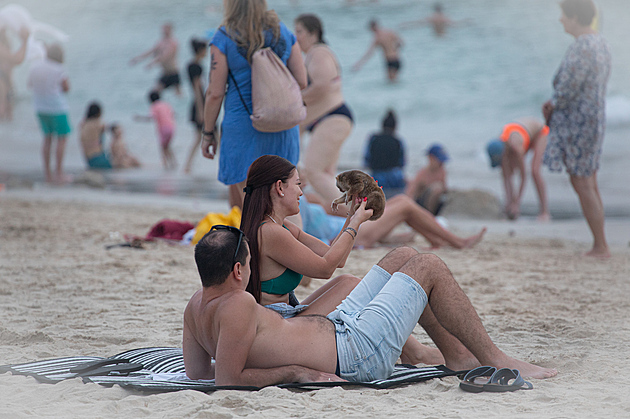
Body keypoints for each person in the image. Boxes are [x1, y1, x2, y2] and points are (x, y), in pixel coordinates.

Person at [183, 229, 558, 385]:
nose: (251, 270)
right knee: (428, 266)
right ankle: (495, 356)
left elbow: (198, 374)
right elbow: (225, 382)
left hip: (341, 329)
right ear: (237, 270)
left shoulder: (196, 306)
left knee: (403, 256)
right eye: (248, 264)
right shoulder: (238, 304)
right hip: (357, 353)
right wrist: (297, 371)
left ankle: (456, 355)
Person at [240, 155, 445, 366]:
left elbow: (336, 258)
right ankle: (416, 352)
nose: (302, 192)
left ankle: (412, 350)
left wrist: (351, 216)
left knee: (348, 281)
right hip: (279, 329)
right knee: (353, 286)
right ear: (279, 188)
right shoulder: (272, 232)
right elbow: (325, 269)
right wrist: (355, 223)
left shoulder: (281, 227)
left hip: (287, 317)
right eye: (298, 185)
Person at [201, 0, 307, 210]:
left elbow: (215, 93)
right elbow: (302, 81)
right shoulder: (282, 31)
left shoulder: (224, 37)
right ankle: (290, 240)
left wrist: (207, 132)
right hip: (282, 128)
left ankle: (253, 242)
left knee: (249, 202)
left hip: (244, 128)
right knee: (284, 199)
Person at [542, 0, 611, 257]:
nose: (561, 19)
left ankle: (600, 245)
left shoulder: (583, 45)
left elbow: (569, 87)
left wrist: (552, 104)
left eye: (563, 14)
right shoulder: (601, 42)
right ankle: (600, 242)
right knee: (588, 179)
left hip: (579, 123)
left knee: (581, 181)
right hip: (593, 119)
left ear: (574, 17)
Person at [294, 14, 354, 213]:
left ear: (314, 33)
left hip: (333, 117)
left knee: (313, 172)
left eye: (300, 31)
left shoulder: (318, 52)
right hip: (330, 119)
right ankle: (345, 218)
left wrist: (296, 98)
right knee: (328, 175)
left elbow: (322, 85)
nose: (296, 36)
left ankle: (355, 219)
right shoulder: (315, 54)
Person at [301, 193, 485, 250]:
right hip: (350, 236)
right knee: (405, 206)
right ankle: (458, 242)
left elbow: (327, 207)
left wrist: (354, 210)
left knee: (400, 200)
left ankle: (436, 240)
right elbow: (305, 241)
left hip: (351, 225)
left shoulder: (301, 199)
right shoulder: (293, 209)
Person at [486, 118, 550, 221]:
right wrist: (509, 202)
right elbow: (506, 177)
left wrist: (517, 203)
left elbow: (523, 176)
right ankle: (509, 205)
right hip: (523, 136)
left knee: (535, 171)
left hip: (540, 133)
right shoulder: (501, 146)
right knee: (507, 172)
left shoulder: (516, 147)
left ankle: (544, 212)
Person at [27, 43, 71, 183]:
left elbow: (29, 85)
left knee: (47, 139)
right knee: (61, 140)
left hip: (40, 108)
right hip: (57, 108)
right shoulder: (59, 68)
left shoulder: (35, 66)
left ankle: (48, 174)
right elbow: (66, 88)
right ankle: (59, 173)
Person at [129, 22, 181, 95]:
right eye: (164, 29)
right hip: (165, 73)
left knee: (179, 96)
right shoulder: (161, 42)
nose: (165, 31)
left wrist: (152, 63)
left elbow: (165, 56)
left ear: (170, 30)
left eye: (167, 29)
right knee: (155, 93)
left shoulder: (173, 43)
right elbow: (150, 52)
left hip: (174, 73)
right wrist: (137, 59)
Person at [364, 109, 405, 197]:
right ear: (395, 126)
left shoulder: (373, 139)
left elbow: (366, 160)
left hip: (377, 177)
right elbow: (402, 163)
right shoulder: (397, 141)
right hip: (394, 178)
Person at [135, 91, 176, 170]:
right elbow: (173, 114)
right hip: (172, 127)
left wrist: (139, 118)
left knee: (162, 147)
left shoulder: (154, 106)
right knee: (167, 146)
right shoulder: (166, 104)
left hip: (163, 129)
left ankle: (166, 165)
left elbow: (151, 117)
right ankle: (173, 163)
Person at [184, 38, 207, 174]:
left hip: (197, 102)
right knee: (208, 135)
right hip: (200, 103)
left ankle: (188, 165)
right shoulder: (196, 67)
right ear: (200, 50)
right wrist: (201, 110)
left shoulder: (190, 65)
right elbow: (198, 89)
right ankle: (187, 165)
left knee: (199, 137)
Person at [405, 144, 449, 216]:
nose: (442, 164)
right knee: (436, 188)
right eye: (440, 162)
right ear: (431, 158)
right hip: (422, 205)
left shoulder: (442, 171)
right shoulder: (422, 173)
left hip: (435, 205)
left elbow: (445, 190)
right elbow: (411, 193)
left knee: (439, 189)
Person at [0, 26, 29, 120]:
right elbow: (17, 59)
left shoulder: (4, 45)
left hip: (6, 81)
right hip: (3, 81)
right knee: (3, 112)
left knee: (8, 115)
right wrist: (25, 41)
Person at [79, 102, 112, 170]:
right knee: (122, 162)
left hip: (89, 160)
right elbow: (110, 128)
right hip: (98, 158)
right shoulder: (97, 123)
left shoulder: (83, 124)